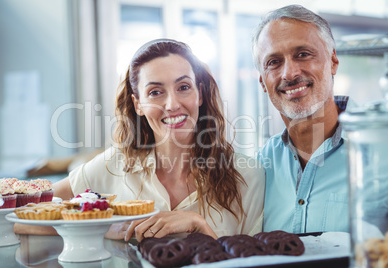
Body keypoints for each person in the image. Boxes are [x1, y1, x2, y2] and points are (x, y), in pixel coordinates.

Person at [52, 39, 265, 241]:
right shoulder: (111, 166)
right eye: (155, 92)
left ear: (199, 94)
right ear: (138, 105)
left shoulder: (247, 177)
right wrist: (99, 226)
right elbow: (24, 215)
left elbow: (260, 261)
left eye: (183, 87)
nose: (172, 104)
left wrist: (201, 227)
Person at [252, 5, 353, 233]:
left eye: (303, 55)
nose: (289, 73)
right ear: (262, 82)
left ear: (333, 61)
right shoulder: (259, 168)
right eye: (274, 62)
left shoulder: (378, 150)